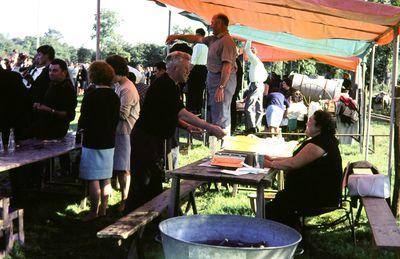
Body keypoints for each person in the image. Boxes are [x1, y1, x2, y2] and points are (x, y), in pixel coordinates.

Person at [124, 51, 225, 213]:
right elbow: (181, 112)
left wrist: (188, 127)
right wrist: (211, 127)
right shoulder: (165, 84)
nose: (188, 71)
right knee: (142, 183)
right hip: (145, 139)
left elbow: (169, 112)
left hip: (152, 139)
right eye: (186, 68)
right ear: (175, 68)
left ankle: (152, 222)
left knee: (153, 182)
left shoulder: (172, 85)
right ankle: (131, 222)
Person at [263, 110, 343, 229]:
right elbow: (296, 159)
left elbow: (294, 163)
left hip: (319, 197)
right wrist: (273, 159)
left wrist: (270, 164)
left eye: (310, 121)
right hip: (314, 192)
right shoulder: (323, 140)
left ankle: (290, 237)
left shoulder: (320, 144)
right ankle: (291, 232)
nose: (307, 123)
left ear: (319, 127)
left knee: (272, 209)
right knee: (276, 204)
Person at [166, 13, 237, 133]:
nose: (211, 25)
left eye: (213, 22)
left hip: (222, 80)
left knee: (221, 114)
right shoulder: (214, 39)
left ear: (220, 23)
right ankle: (217, 139)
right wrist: (177, 36)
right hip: (214, 78)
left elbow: (227, 66)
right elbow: (197, 38)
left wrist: (221, 87)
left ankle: (221, 142)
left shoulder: (227, 41)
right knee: (216, 112)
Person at [78, 61, 120, 221]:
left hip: (93, 140)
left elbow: (84, 119)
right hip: (109, 140)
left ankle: (93, 211)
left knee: (93, 178)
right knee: (106, 177)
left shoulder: (91, 96)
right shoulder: (114, 96)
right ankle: (104, 209)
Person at [106, 55, 140, 212]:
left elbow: (123, 114)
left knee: (124, 168)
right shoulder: (120, 85)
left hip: (126, 133)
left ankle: (125, 201)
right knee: (120, 168)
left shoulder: (126, 88)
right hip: (120, 132)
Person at [31, 59, 77, 140]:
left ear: (64, 72)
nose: (51, 73)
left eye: (55, 71)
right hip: (43, 129)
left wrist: (49, 110)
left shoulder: (68, 89)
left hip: (56, 132)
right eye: (50, 70)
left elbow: (69, 115)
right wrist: (39, 105)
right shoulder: (52, 84)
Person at [243, 41, 268, 134]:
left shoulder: (254, 60)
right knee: (258, 108)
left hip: (256, 84)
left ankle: (252, 127)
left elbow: (246, 49)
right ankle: (256, 127)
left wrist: (249, 39)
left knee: (248, 107)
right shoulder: (258, 62)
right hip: (260, 84)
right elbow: (265, 76)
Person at [186, 28, 208, 114]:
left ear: (198, 35)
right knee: (200, 91)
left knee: (192, 90)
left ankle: (191, 110)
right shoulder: (207, 45)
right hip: (204, 69)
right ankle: (198, 109)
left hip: (196, 69)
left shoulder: (197, 46)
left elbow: (193, 61)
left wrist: (187, 71)